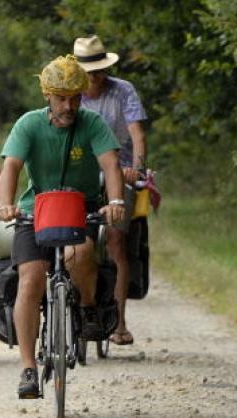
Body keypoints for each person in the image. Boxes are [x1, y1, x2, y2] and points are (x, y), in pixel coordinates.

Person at [0, 56, 126, 399]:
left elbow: (111, 164)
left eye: (75, 98)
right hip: (34, 210)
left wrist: (115, 202)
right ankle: (27, 368)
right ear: (47, 97)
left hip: (79, 209)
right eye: (61, 97)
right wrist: (6, 203)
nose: (69, 105)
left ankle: (85, 307)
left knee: (81, 253)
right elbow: (11, 167)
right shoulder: (29, 124)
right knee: (31, 278)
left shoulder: (92, 123)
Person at [75, 35, 149, 346]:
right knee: (71, 236)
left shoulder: (123, 91)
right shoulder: (69, 95)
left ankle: (119, 321)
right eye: (89, 71)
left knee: (118, 239)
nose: (95, 77)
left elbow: (136, 132)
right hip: (83, 174)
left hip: (120, 171)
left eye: (99, 70)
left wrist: (139, 168)